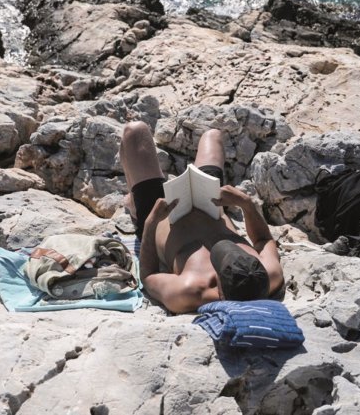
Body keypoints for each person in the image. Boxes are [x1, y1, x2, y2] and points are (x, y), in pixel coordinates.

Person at [119, 121, 284, 314]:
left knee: (134, 131)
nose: (218, 248)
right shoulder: (268, 274)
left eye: (219, 259)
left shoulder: (188, 291)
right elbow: (264, 240)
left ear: (220, 291)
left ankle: (135, 204)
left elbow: (148, 276)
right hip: (208, 201)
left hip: (159, 211)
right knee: (213, 135)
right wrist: (246, 203)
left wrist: (150, 221)